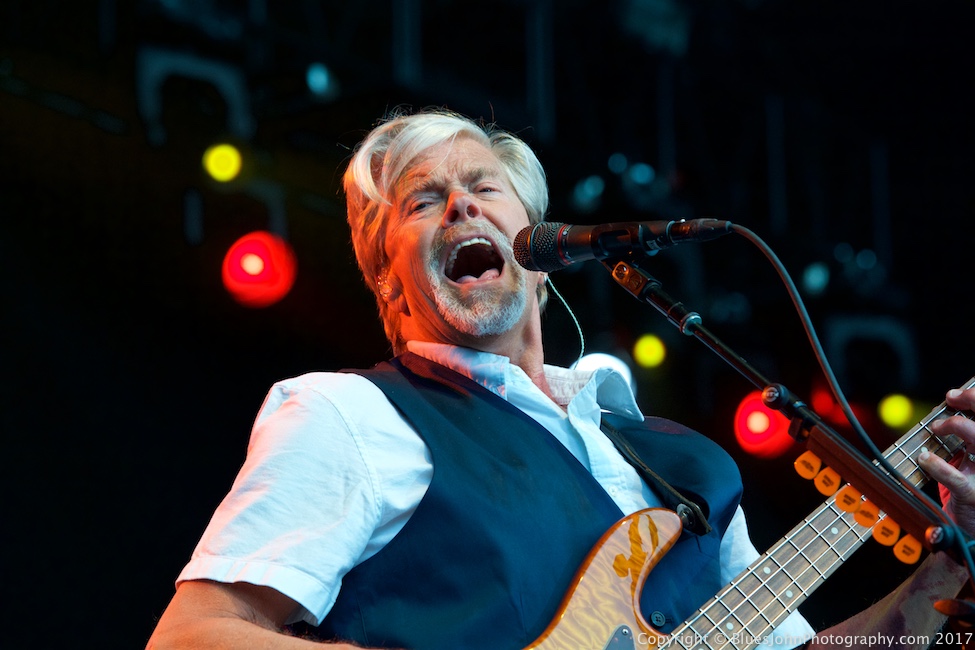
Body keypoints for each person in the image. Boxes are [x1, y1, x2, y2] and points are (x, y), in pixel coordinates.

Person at [146, 108, 975, 649]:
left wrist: (948, 567)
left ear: (539, 248)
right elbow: (195, 634)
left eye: (481, 187)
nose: (460, 207)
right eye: (422, 200)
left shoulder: (680, 464)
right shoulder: (350, 413)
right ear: (389, 279)